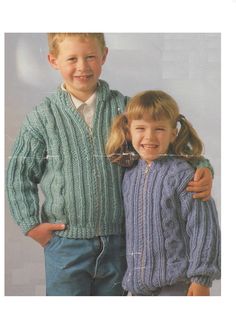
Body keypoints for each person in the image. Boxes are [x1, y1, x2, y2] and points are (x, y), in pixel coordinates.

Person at [7, 33, 213, 296]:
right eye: (72, 58)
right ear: (53, 60)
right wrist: (31, 225)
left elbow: (165, 145)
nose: (82, 66)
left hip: (120, 243)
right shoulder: (42, 117)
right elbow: (19, 175)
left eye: (90, 56)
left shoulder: (124, 108)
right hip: (66, 245)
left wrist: (204, 167)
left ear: (104, 56)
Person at [106, 90, 221, 296]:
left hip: (177, 285)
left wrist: (201, 278)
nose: (149, 136)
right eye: (140, 128)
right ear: (129, 132)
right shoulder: (129, 174)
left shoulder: (184, 175)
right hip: (139, 287)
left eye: (159, 129)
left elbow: (203, 229)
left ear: (173, 134)